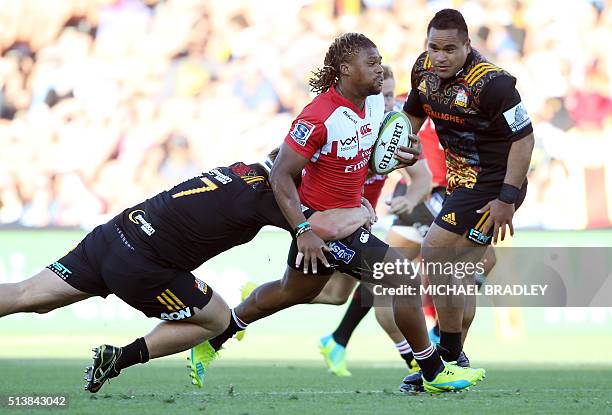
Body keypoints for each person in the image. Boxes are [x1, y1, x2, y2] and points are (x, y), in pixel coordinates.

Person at [190, 32, 486, 394]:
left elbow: (385, 156)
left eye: (380, 63)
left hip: (349, 217)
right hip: (326, 225)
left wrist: (400, 159)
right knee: (405, 279)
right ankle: (432, 370)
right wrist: (303, 231)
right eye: (372, 64)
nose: (380, 71)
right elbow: (280, 173)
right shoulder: (318, 116)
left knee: (291, 291)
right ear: (346, 70)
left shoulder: (377, 107)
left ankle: (216, 337)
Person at [0, 150, 375, 394]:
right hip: (144, 263)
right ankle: (119, 358)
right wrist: (363, 210)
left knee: (26, 295)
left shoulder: (243, 168)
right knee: (215, 319)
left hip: (116, 232)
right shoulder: (272, 196)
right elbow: (323, 226)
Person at [399, 8, 535, 389]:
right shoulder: (423, 71)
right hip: (461, 185)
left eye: (449, 49)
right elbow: (412, 116)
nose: (440, 57)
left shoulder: (493, 84)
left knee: (435, 249)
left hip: (493, 185)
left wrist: (507, 199)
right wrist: (402, 145)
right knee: (459, 276)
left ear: (467, 46)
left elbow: (524, 140)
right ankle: (452, 358)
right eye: (433, 47)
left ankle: (446, 356)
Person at [316, 65, 434, 377]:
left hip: (357, 223)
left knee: (338, 294)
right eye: (383, 97)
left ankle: (335, 340)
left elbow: (422, 177)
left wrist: (409, 199)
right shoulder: (349, 126)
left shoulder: (395, 131)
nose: (391, 104)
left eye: (393, 97)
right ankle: (420, 362)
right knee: (384, 283)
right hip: (331, 219)